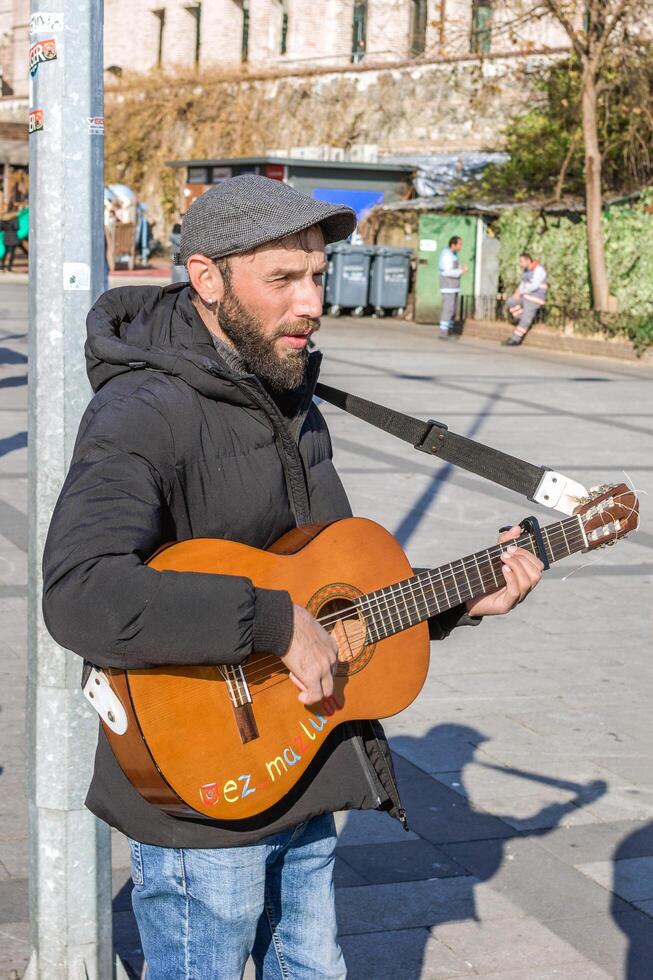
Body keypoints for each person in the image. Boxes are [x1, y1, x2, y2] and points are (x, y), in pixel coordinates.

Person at [41, 175, 543, 980]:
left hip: (303, 759)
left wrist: (455, 602)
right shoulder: (144, 408)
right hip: (200, 777)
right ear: (207, 280)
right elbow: (80, 593)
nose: (310, 303)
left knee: (313, 967)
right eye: (282, 280)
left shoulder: (289, 396)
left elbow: (323, 579)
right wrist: (272, 625)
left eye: (316, 277)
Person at [503, 252, 548, 346]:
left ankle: (515, 339)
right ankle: (521, 318)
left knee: (525, 320)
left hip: (535, 298)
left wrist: (522, 292)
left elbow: (534, 286)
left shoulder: (539, 270)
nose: (520, 264)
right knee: (511, 302)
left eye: (521, 261)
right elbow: (522, 284)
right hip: (526, 296)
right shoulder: (526, 271)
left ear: (528, 260)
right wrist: (517, 293)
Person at [438, 235, 468, 339]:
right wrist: (461, 271)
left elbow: (453, 267)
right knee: (448, 309)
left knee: (453, 310)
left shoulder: (453, 255)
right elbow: (447, 272)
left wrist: (460, 267)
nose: (460, 247)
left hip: (454, 287)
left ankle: (449, 330)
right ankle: (443, 332)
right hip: (448, 286)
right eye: (459, 244)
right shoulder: (447, 255)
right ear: (453, 244)